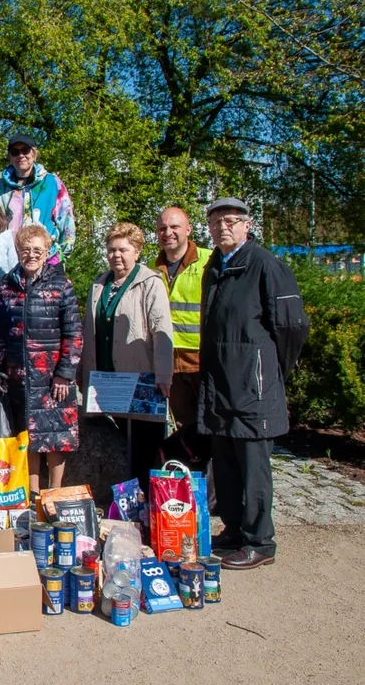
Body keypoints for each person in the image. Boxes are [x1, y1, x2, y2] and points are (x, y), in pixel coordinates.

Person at [199, 197, 308, 570]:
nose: (223, 227)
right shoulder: (215, 267)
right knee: (226, 463)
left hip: (254, 387)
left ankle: (260, 541)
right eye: (216, 222)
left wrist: (270, 368)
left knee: (253, 467)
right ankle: (233, 530)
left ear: (247, 225)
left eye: (231, 221)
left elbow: (291, 327)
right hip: (220, 385)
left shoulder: (265, 265)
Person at [80, 222, 173, 493]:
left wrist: (164, 374)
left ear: (137, 252)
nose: (116, 255)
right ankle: (123, 501)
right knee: (117, 444)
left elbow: (161, 329)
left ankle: (146, 505)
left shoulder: (150, 283)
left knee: (144, 448)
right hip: (106, 379)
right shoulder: (100, 283)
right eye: (111, 250)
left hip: (141, 378)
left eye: (123, 249)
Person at [0, 225, 82, 493]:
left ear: (47, 253)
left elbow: (74, 332)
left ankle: (54, 492)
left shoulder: (61, 284)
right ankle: (31, 494)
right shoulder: (6, 286)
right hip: (18, 375)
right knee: (27, 436)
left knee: (56, 437)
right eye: (25, 249)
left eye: (37, 250)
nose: (31, 255)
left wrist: (65, 373)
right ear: (18, 251)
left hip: (53, 377)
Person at [150, 207, 213, 470]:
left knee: (210, 425)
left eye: (175, 227)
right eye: (163, 228)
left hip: (202, 359)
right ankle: (191, 482)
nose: (168, 233)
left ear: (188, 230)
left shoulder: (209, 261)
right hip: (170, 362)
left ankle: (217, 489)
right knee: (186, 428)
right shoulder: (153, 268)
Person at [0, 134, 76, 266]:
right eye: (15, 152)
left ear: (34, 153)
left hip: (48, 260)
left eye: (25, 150)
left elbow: (67, 223)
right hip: (12, 262)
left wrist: (60, 257)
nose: (21, 155)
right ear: (9, 156)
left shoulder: (52, 183)